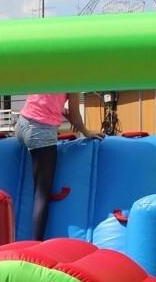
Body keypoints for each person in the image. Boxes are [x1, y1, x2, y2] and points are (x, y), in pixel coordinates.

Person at [14, 94, 102, 241]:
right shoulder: (72, 81)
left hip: (21, 125)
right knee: (42, 193)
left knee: (39, 187)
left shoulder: (48, 76)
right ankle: (36, 243)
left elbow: (44, 99)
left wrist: (62, 111)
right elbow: (75, 115)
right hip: (41, 132)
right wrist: (86, 131)